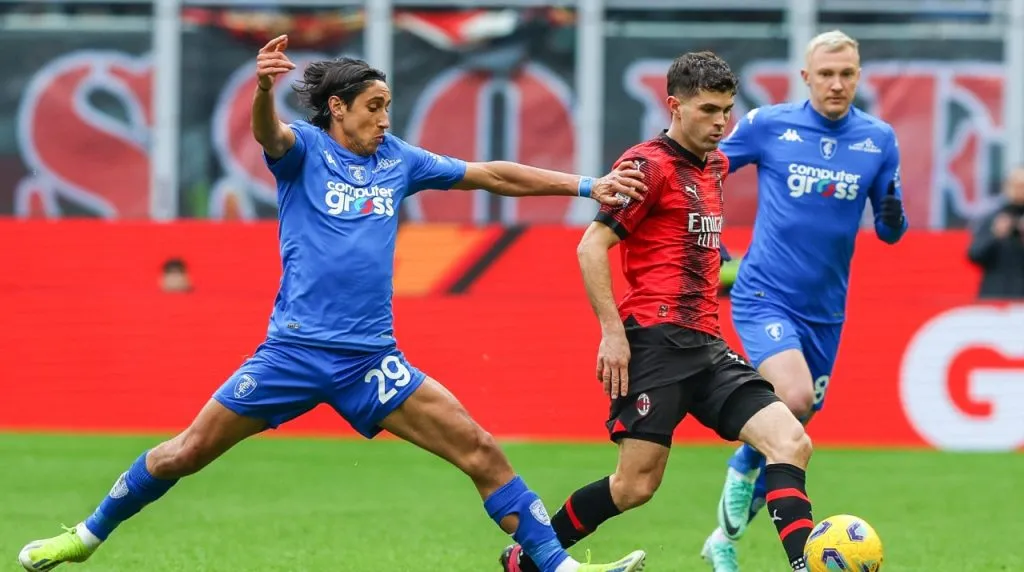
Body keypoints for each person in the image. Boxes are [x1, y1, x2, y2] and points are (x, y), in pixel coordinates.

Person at [18, 35, 648, 572]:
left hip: (371, 361)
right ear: (338, 109)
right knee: (183, 453)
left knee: (480, 449)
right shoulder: (302, 154)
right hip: (290, 352)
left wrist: (589, 184)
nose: (384, 119)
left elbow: (492, 174)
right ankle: (85, 537)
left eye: (389, 107)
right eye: (374, 107)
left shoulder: (399, 160)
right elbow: (269, 132)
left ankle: (557, 565)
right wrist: (263, 92)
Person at [501, 51, 817, 572]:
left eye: (728, 111)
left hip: (707, 346)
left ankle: (805, 565)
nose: (721, 123)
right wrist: (613, 333)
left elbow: (693, 245)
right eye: (709, 110)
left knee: (791, 440)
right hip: (653, 342)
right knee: (634, 486)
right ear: (675, 105)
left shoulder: (714, 165)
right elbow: (590, 247)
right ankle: (529, 560)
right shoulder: (648, 166)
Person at [699, 30, 908, 571]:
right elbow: (703, 172)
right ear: (806, 77)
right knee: (791, 398)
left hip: (826, 311)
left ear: (858, 77)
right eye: (826, 74)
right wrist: (719, 250)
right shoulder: (770, 125)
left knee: (793, 427)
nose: (837, 84)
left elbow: (889, 230)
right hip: (764, 293)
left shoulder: (878, 139)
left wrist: (891, 214)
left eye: (846, 74)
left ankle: (722, 541)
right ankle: (741, 476)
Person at [967, 166, 1024, 299]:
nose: (1020, 190)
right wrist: (996, 235)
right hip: (996, 297)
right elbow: (974, 255)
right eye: (1016, 185)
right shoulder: (993, 219)